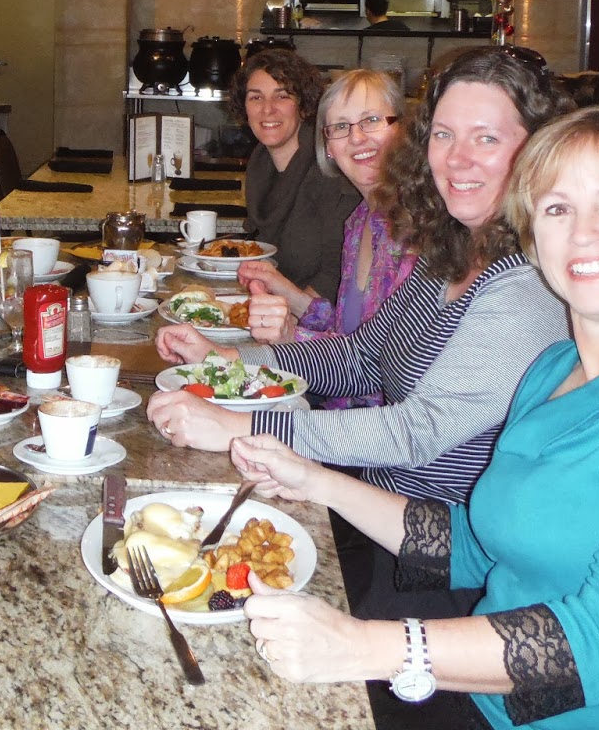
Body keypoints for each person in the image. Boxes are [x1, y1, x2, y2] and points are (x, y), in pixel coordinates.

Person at [228, 106, 599, 730]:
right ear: (532, 238)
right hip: (483, 702)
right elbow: (477, 546)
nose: (584, 234)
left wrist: (366, 646)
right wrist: (314, 479)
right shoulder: (552, 371)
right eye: (556, 209)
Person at [150, 45, 573, 615]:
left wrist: (237, 426)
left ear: (539, 150)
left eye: (487, 138)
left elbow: (418, 431)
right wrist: (232, 364)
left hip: (450, 571)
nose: (458, 159)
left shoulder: (527, 284)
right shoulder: (451, 252)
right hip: (378, 520)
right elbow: (363, 356)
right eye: (444, 135)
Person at [237, 68, 415, 364]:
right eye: (341, 126)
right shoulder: (358, 221)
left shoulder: (414, 230)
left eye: (371, 120)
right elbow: (345, 329)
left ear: (402, 130)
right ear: (329, 147)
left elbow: (378, 363)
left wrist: (291, 337)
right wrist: (286, 291)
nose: (357, 137)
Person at [230, 49, 358, 301]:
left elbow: (337, 273)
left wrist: (290, 315)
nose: (267, 109)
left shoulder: (329, 171)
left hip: (318, 317)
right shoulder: (260, 165)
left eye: (282, 96)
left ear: (304, 105)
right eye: (256, 97)